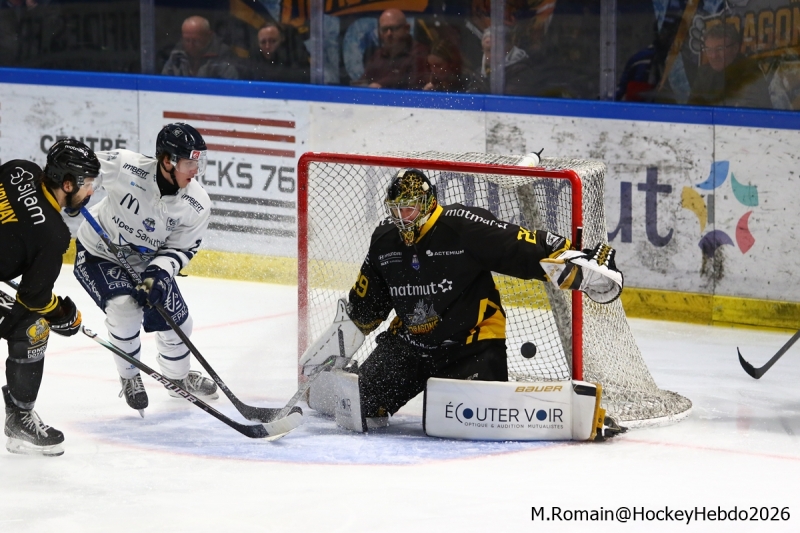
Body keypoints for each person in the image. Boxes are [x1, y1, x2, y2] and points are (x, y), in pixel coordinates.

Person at [304, 168, 623, 428]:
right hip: (409, 347)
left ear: (427, 203)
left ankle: (574, 412)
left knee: (463, 420)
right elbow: (365, 309)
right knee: (354, 409)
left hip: (471, 345)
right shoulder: (385, 242)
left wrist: (578, 261)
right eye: (395, 211)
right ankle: (351, 379)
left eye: (409, 208)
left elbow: (519, 245)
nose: (402, 219)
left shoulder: (462, 226)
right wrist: (330, 353)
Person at [72, 123, 217, 417]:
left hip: (148, 263)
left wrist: (158, 275)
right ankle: (129, 374)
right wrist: (75, 190)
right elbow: (85, 169)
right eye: (189, 163)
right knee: (124, 309)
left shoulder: (197, 203)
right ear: (167, 161)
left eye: (197, 163)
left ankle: (177, 377)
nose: (195, 171)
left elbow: (180, 249)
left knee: (178, 321)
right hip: (99, 251)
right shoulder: (127, 166)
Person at [1, 139, 99, 456]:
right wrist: (65, 316)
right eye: (87, 185)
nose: (91, 193)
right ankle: (20, 418)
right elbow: (34, 300)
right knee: (34, 328)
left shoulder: (19, 170)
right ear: (67, 184)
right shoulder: (53, 235)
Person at [688, 23, 772, 109]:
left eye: (720, 49)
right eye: (708, 49)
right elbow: (692, 111)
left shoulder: (750, 74)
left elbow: (746, 116)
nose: (713, 56)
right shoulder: (704, 73)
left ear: (735, 48)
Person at [359, 8, 429, 90]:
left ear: (407, 28)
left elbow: (414, 86)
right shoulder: (377, 56)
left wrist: (381, 85)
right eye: (384, 29)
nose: (389, 34)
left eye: (394, 28)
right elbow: (363, 81)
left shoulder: (420, 53)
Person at [161, 15, 238, 80]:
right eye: (187, 40)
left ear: (209, 36)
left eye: (196, 40)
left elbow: (230, 88)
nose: (191, 45)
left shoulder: (223, 56)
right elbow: (164, 83)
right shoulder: (177, 55)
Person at [246, 21, 310, 84]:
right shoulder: (251, 66)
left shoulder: (298, 64)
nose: (267, 46)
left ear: (282, 40)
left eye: (273, 41)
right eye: (263, 42)